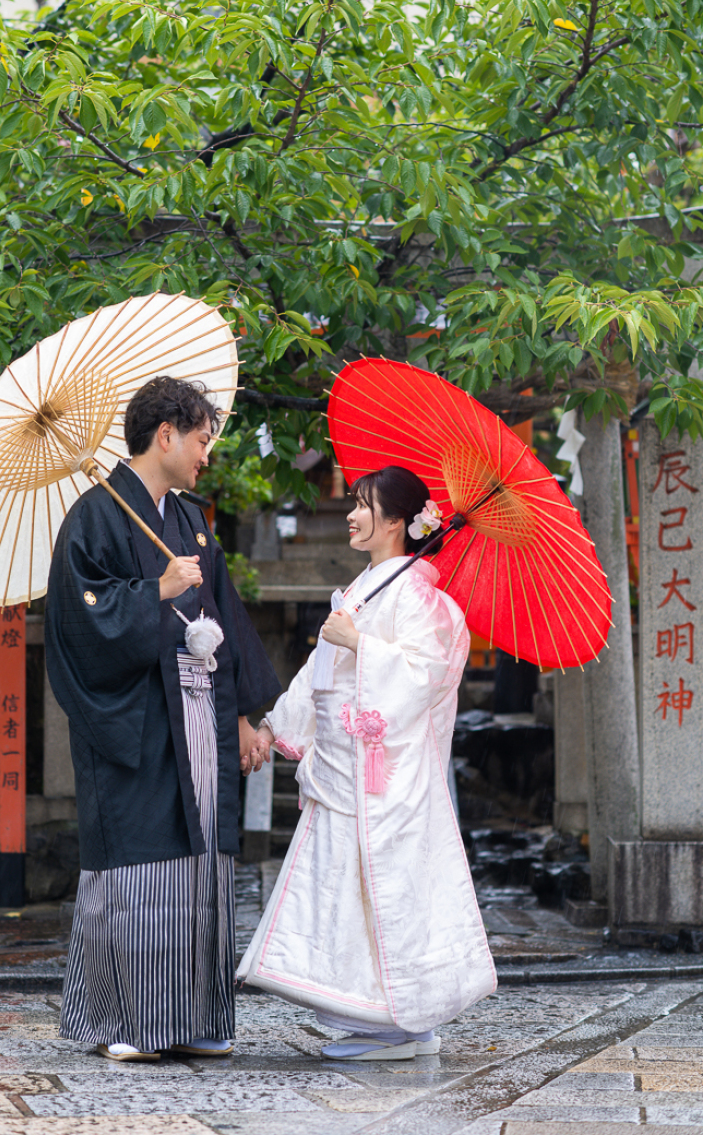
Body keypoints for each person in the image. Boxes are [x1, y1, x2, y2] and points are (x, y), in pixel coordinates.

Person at [45, 376, 279, 1062]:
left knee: (200, 861)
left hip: (201, 711)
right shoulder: (94, 515)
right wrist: (156, 590)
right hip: (138, 718)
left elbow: (225, 619)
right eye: (203, 438)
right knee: (141, 867)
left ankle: (191, 1017)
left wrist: (238, 713)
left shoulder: (190, 519)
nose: (208, 452)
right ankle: (129, 1021)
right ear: (166, 433)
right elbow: (79, 621)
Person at [238, 465, 496, 1061]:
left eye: (363, 505)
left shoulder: (418, 596)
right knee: (344, 897)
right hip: (344, 771)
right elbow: (319, 676)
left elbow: (426, 674)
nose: (352, 514)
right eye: (353, 503)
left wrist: (362, 644)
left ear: (399, 522)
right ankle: (376, 1017)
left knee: (386, 894)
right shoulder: (367, 587)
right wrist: (274, 726)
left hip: (386, 781)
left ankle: (405, 1023)